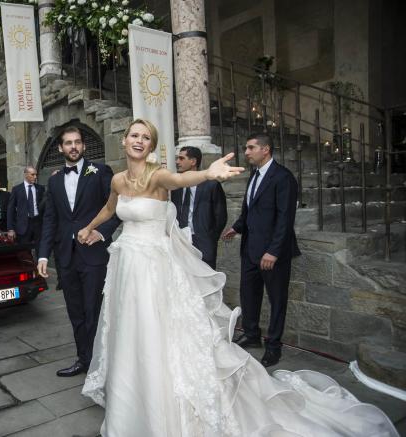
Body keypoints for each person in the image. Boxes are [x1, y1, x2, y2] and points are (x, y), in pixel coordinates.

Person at [78, 119, 397, 437]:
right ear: (125, 140)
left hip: (154, 271)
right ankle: (132, 407)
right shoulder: (118, 180)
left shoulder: (158, 175)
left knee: (155, 332)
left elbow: (180, 178)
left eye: (146, 137)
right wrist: (90, 227)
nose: (139, 140)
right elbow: (110, 208)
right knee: (128, 330)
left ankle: (163, 409)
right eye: (134, 135)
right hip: (127, 267)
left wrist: (208, 173)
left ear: (151, 145)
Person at [37, 126, 119, 377]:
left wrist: (101, 232)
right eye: (68, 143)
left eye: (77, 142)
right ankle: (84, 360)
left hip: (93, 255)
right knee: (76, 313)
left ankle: (100, 364)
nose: (73, 147)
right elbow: (50, 220)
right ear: (60, 148)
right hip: (66, 257)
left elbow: (115, 209)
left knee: (93, 311)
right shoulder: (53, 181)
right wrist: (43, 254)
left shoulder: (101, 172)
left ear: (83, 146)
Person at [221, 133, 301, 367]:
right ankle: (252, 334)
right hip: (250, 249)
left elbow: (285, 219)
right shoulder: (254, 175)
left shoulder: (283, 177)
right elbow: (249, 209)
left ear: (265, 150)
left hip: (273, 254)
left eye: (250, 148)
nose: (246, 152)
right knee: (249, 294)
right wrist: (237, 227)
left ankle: (274, 346)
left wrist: (273, 251)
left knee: (277, 299)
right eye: (246, 148)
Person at [171, 146, 227, 269]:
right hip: (181, 241)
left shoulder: (211, 185)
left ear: (193, 161)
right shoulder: (175, 185)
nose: (177, 162)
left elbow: (220, 215)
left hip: (203, 241)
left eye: (181, 158)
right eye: (177, 158)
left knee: (207, 276)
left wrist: (210, 237)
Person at [7, 166, 45, 256]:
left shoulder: (40, 188)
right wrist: (10, 229)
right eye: (33, 174)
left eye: (36, 174)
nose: (35, 177)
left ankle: (40, 265)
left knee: (41, 250)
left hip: (38, 224)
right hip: (23, 226)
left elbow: (44, 207)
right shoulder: (16, 189)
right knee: (24, 253)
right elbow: (10, 209)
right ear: (25, 175)